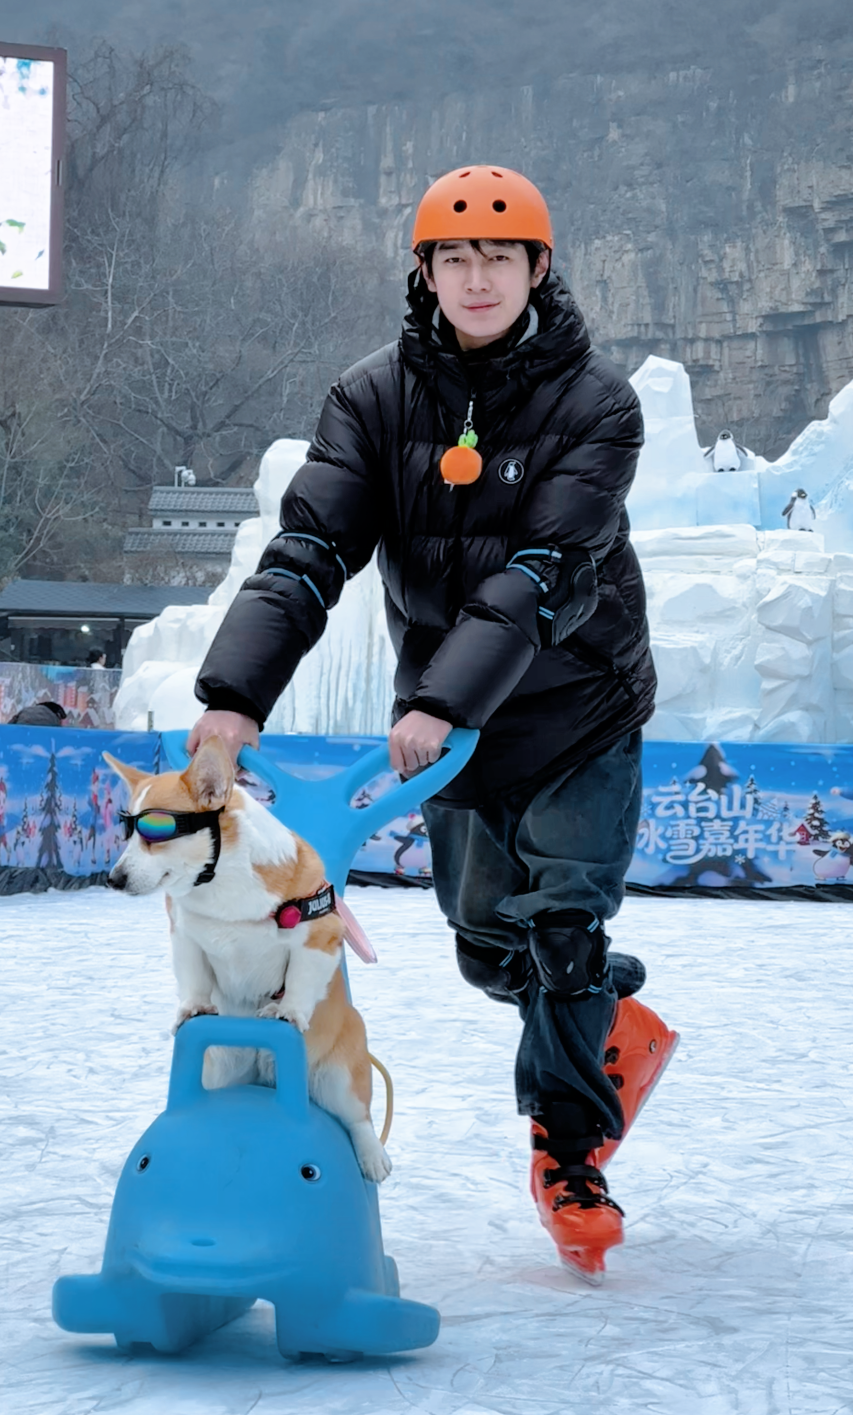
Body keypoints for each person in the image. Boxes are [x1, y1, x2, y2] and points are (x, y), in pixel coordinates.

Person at [186, 165, 677, 1281]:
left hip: (577, 707)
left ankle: (570, 1152)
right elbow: (309, 551)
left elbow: (543, 572)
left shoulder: (597, 406)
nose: (476, 276)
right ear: (424, 273)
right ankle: (600, 1019)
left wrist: (441, 697)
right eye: (453, 257)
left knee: (558, 929)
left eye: (500, 256)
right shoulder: (371, 398)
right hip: (451, 729)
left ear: (538, 270)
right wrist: (232, 695)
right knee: (486, 947)